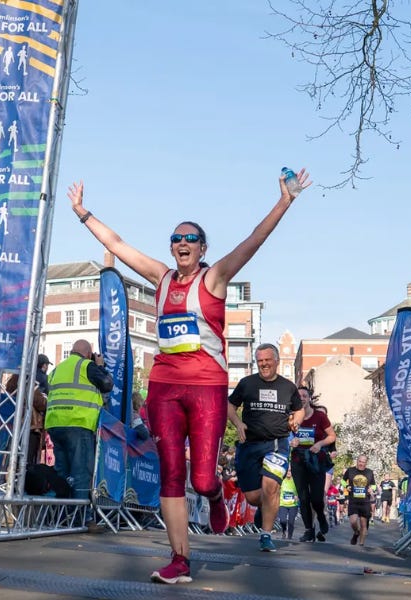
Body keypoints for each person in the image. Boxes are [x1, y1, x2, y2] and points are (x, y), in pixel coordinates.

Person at [68, 167, 307, 584]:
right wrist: (84, 214)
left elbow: (254, 239)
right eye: (176, 238)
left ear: (202, 248)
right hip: (164, 386)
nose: (181, 243)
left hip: (206, 389)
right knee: (173, 474)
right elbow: (119, 245)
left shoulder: (213, 279)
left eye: (190, 238)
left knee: (200, 477)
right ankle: (180, 559)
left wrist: (284, 201)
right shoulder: (160, 277)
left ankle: (213, 494)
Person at [227, 343, 304, 553]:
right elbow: (230, 405)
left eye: (267, 360)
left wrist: (295, 422)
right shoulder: (246, 384)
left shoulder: (288, 387)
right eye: (260, 361)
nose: (264, 364)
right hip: (250, 444)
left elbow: (299, 411)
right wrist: (238, 423)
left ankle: (266, 535)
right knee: (253, 497)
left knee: (271, 488)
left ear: (276, 361)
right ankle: (268, 506)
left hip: (277, 444)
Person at [44, 340, 114, 519]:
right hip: (78, 423)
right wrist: (101, 367)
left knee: (63, 472)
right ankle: (81, 516)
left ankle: (61, 515)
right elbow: (107, 384)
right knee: (81, 471)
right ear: (89, 354)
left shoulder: (57, 369)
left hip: (55, 423)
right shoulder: (87, 366)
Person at [289, 385, 336, 542]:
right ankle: (309, 530)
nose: (301, 398)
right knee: (303, 498)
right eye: (298, 396)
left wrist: (320, 444)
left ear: (309, 398)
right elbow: (284, 435)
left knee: (316, 498)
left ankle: (321, 517)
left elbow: (331, 436)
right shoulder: (291, 417)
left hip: (316, 461)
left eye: (304, 395)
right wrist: (292, 441)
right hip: (298, 461)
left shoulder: (320, 417)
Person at [6, 373, 47, 467]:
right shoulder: (29, 384)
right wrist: (45, 399)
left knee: (12, 457)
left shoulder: (11, 383)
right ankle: (21, 480)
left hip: (12, 424)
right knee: (25, 461)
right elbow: (40, 403)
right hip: (29, 425)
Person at [342, 455, 377, 546]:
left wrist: (371, 489)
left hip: (365, 501)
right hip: (353, 500)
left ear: (366, 463)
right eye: (360, 461)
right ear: (357, 461)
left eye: (363, 462)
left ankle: (361, 544)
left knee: (363, 524)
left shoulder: (369, 472)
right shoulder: (350, 470)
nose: (361, 463)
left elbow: (373, 484)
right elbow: (343, 481)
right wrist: (346, 486)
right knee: (353, 522)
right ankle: (356, 532)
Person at [278, 469, 299, 540]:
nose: (288, 472)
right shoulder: (281, 480)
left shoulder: (296, 481)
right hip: (282, 504)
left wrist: (298, 496)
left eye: (290, 471)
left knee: (291, 522)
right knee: (282, 520)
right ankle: (284, 531)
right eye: (287, 471)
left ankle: (290, 536)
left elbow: (301, 490)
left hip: (293, 505)